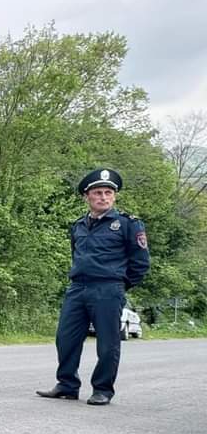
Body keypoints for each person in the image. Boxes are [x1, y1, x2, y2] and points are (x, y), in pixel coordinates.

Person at [37, 168, 150, 406]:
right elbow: (76, 255)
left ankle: (102, 389)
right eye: (98, 193)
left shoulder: (128, 224)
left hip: (108, 289)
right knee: (65, 338)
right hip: (78, 288)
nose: (103, 197)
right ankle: (67, 385)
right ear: (86, 196)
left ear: (114, 196)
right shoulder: (78, 225)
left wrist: (120, 285)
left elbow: (140, 263)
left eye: (108, 193)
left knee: (108, 343)